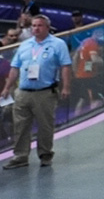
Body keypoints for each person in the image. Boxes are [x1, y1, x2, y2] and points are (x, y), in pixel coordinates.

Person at [4, 13, 71, 170]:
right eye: (33, 26)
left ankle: (45, 154)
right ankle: (20, 156)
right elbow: (15, 68)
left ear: (47, 27)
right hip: (23, 91)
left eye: (39, 25)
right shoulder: (25, 45)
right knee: (20, 125)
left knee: (45, 125)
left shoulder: (57, 44)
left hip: (44, 92)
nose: (36, 28)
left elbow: (65, 66)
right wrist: (7, 88)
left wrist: (66, 86)